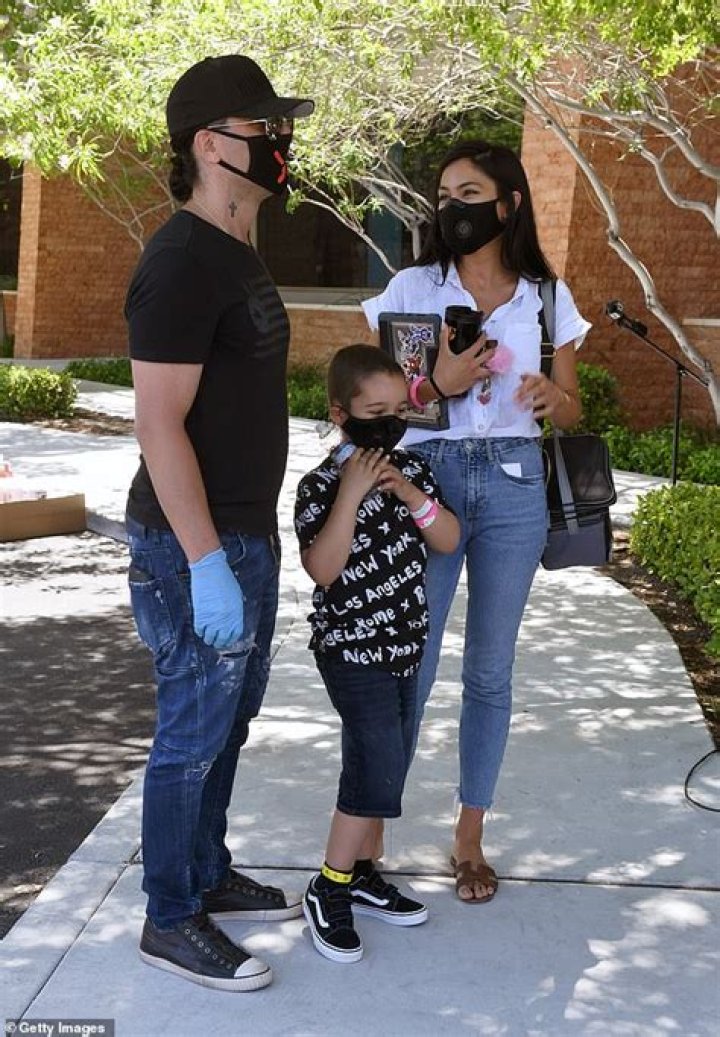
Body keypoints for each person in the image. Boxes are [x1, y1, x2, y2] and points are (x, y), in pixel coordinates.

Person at [124, 54, 314, 991]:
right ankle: (169, 915)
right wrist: (204, 563)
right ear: (210, 145)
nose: (282, 143)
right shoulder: (180, 262)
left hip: (247, 533)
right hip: (191, 544)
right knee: (191, 733)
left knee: (229, 722)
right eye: (264, 129)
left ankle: (204, 869)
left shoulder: (237, 250)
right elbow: (158, 425)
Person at [362, 139, 590, 904]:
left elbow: (573, 405)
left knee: (490, 670)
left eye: (469, 194)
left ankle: (468, 835)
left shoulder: (545, 297)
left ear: (508, 203)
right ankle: (371, 825)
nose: (452, 208)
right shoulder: (413, 287)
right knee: (413, 661)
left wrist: (553, 399)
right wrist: (442, 381)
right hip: (433, 479)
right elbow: (384, 408)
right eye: (444, 195)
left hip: (518, 484)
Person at [294, 344, 460, 962]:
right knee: (376, 762)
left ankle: (362, 874)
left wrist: (410, 495)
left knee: (383, 759)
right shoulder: (319, 486)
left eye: (398, 412)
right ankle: (330, 884)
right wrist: (351, 492)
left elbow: (449, 539)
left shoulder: (412, 471)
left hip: (404, 645)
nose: (389, 425)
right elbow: (323, 569)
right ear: (341, 415)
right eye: (374, 413)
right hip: (350, 648)